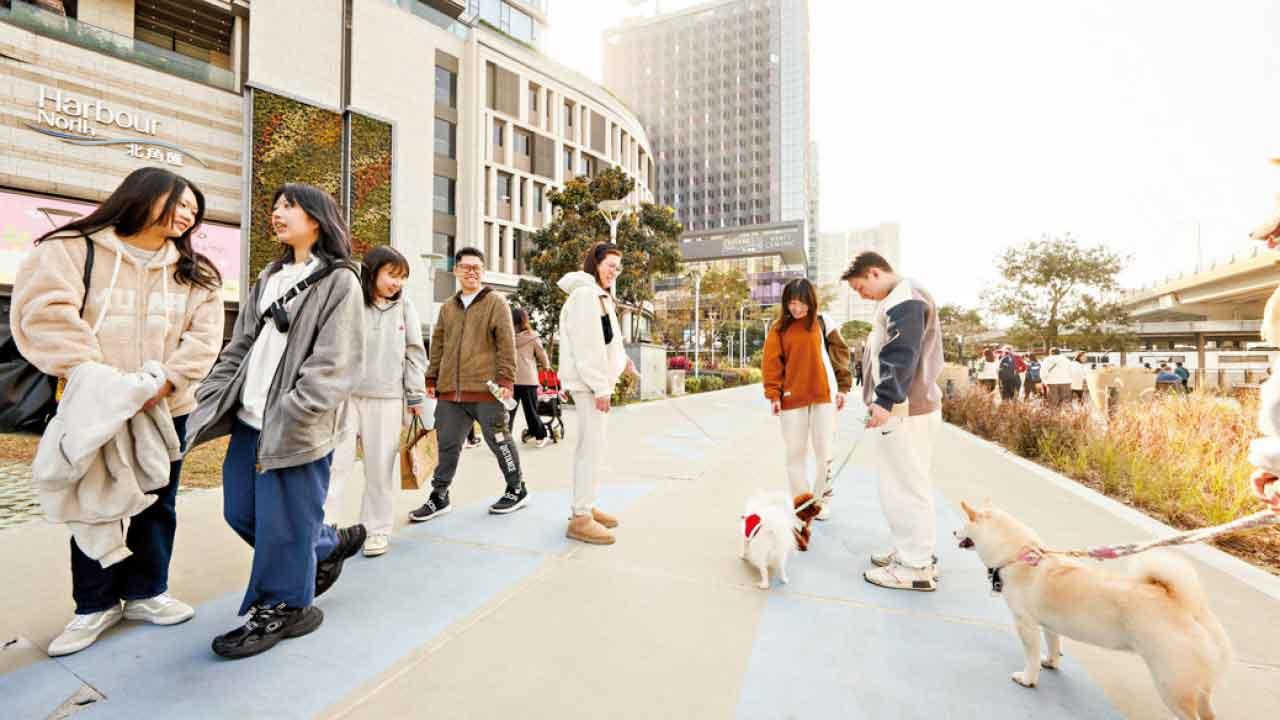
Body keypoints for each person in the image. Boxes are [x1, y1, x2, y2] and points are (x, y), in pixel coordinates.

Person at [10, 168, 224, 657]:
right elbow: (45, 313)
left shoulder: (197, 273)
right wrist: (103, 382)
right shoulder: (69, 248)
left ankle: (148, 592)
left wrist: (165, 381)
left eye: (195, 208)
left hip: (168, 407)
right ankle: (94, 605)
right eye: (180, 202)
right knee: (94, 502)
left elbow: (204, 339)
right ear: (142, 196)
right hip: (92, 405)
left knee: (158, 503)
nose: (188, 213)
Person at [185, 183, 367, 660]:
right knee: (241, 512)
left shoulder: (340, 281)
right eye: (276, 206)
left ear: (317, 218)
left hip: (294, 425)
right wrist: (213, 390)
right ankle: (325, 544)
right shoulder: (270, 276)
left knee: (284, 525)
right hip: (249, 419)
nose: (277, 213)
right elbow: (241, 342)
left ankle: (286, 607)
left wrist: (295, 410)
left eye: (289, 205)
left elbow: (335, 363)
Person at [843, 251, 944, 591]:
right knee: (907, 483)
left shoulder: (905, 298)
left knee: (903, 487)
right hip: (909, 409)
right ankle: (912, 553)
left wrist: (884, 399)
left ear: (874, 273)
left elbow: (901, 353)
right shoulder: (902, 297)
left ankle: (915, 565)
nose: (861, 295)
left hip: (904, 410)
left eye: (860, 287)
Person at [408, 246, 527, 522]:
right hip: (450, 393)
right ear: (456, 271)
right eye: (466, 267)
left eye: (477, 267)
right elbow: (437, 344)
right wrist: (431, 376)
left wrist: (506, 378)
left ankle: (517, 488)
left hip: (487, 390)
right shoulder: (448, 307)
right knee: (447, 445)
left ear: (483, 272)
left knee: (499, 440)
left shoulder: (496, 302)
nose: (471, 272)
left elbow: (506, 343)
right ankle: (439, 495)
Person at [328, 246, 428, 558]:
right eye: (391, 275)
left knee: (379, 469)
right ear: (372, 272)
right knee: (335, 465)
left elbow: (415, 353)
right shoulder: (350, 302)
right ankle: (324, 528)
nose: (396, 283)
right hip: (346, 397)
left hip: (386, 398)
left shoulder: (404, 307)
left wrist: (415, 396)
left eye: (402, 278)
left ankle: (377, 530)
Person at [556, 242, 640, 544]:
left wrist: (622, 360)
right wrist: (601, 387)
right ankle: (580, 516)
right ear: (595, 263)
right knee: (591, 449)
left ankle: (586, 507)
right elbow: (587, 347)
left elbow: (605, 339)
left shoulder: (597, 295)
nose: (614, 273)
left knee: (593, 447)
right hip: (590, 385)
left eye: (618, 268)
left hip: (593, 383)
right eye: (610, 266)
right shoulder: (585, 296)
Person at [762, 278, 853, 520]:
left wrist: (843, 388)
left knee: (824, 452)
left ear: (811, 302)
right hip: (792, 398)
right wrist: (773, 394)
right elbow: (771, 363)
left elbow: (840, 355)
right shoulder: (779, 328)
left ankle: (823, 499)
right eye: (791, 303)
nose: (796, 308)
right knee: (795, 454)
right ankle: (803, 504)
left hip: (824, 396)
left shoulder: (823, 322)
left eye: (801, 303)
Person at [511, 307, 551, 447]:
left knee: (509, 411)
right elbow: (541, 354)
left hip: (512, 380)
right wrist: (546, 366)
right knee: (531, 411)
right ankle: (541, 436)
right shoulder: (532, 336)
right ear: (525, 320)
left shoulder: (508, 337)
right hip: (529, 380)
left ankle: (506, 441)